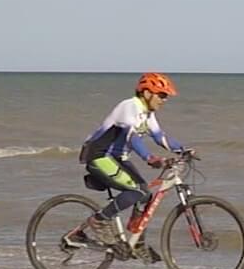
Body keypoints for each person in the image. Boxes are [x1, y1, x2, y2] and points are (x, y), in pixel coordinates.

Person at [65, 72, 190, 253]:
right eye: (162, 95)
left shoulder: (147, 114)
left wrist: (183, 150)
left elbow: (159, 136)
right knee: (137, 191)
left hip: (118, 159)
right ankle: (99, 221)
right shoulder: (129, 106)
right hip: (99, 156)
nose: (165, 100)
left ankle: (135, 240)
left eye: (166, 96)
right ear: (147, 93)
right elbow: (132, 137)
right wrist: (149, 158)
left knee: (146, 195)